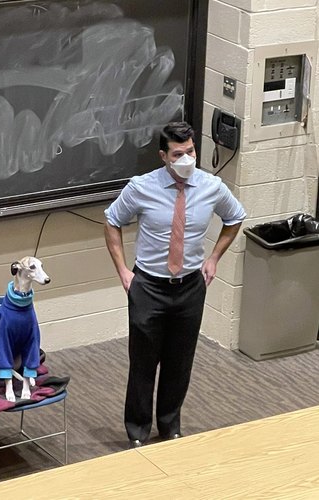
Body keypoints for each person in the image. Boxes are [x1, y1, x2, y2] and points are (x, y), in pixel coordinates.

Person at [104, 121, 246, 448]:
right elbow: (112, 220)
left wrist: (213, 260)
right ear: (164, 156)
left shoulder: (211, 186)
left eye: (191, 151)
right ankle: (138, 431)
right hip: (149, 286)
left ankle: (170, 427)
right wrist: (124, 271)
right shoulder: (142, 187)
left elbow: (235, 217)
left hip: (189, 287)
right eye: (178, 153)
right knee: (143, 363)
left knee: (179, 362)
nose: (186, 159)